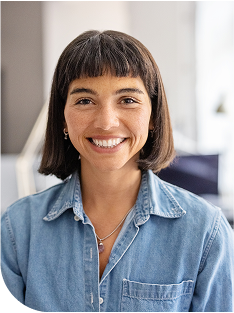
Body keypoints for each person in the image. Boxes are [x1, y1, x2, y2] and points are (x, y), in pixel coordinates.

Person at [0, 30, 234, 312]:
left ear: (153, 117)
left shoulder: (206, 232)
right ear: (62, 117)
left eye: (128, 100)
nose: (106, 123)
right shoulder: (16, 230)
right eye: (85, 100)